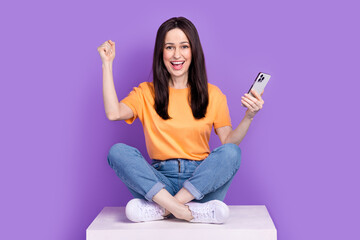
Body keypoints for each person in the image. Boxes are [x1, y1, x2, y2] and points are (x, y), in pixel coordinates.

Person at [97, 16, 265, 224]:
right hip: (159, 184)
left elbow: (228, 143)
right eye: (169, 47)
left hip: (200, 184)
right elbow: (113, 113)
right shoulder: (145, 93)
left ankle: (164, 210)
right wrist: (107, 64)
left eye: (184, 46)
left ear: (193, 51)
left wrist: (249, 116)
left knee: (232, 153)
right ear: (161, 52)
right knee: (118, 152)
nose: (177, 55)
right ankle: (187, 211)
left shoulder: (214, 95)